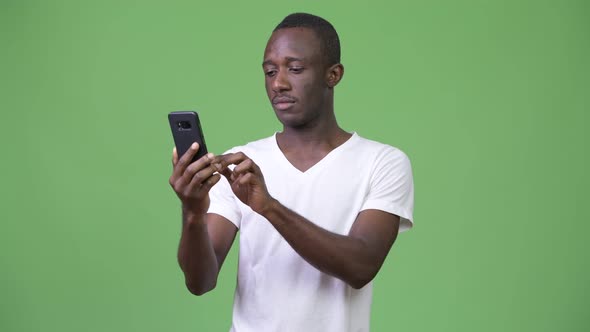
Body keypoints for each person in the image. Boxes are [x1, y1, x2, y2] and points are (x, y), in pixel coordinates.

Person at [169, 12, 414, 332]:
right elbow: (200, 281)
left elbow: (361, 265)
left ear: (334, 74)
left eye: (295, 69)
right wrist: (193, 212)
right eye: (270, 71)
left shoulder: (382, 162)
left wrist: (269, 207)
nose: (278, 83)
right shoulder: (241, 164)